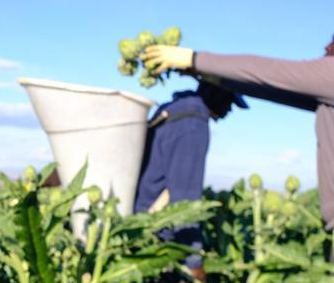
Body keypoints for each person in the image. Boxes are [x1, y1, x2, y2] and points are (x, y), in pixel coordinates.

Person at [143, 36, 334, 229]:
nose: (326, 46)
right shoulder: (191, 121)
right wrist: (202, 69)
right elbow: (273, 85)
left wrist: (194, 59)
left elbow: (273, 73)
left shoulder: (184, 116)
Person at [135, 81, 248, 279]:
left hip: (137, 217)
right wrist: (193, 262)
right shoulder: (193, 126)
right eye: (229, 100)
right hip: (155, 232)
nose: (229, 109)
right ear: (214, 91)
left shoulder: (173, 111)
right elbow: (185, 201)